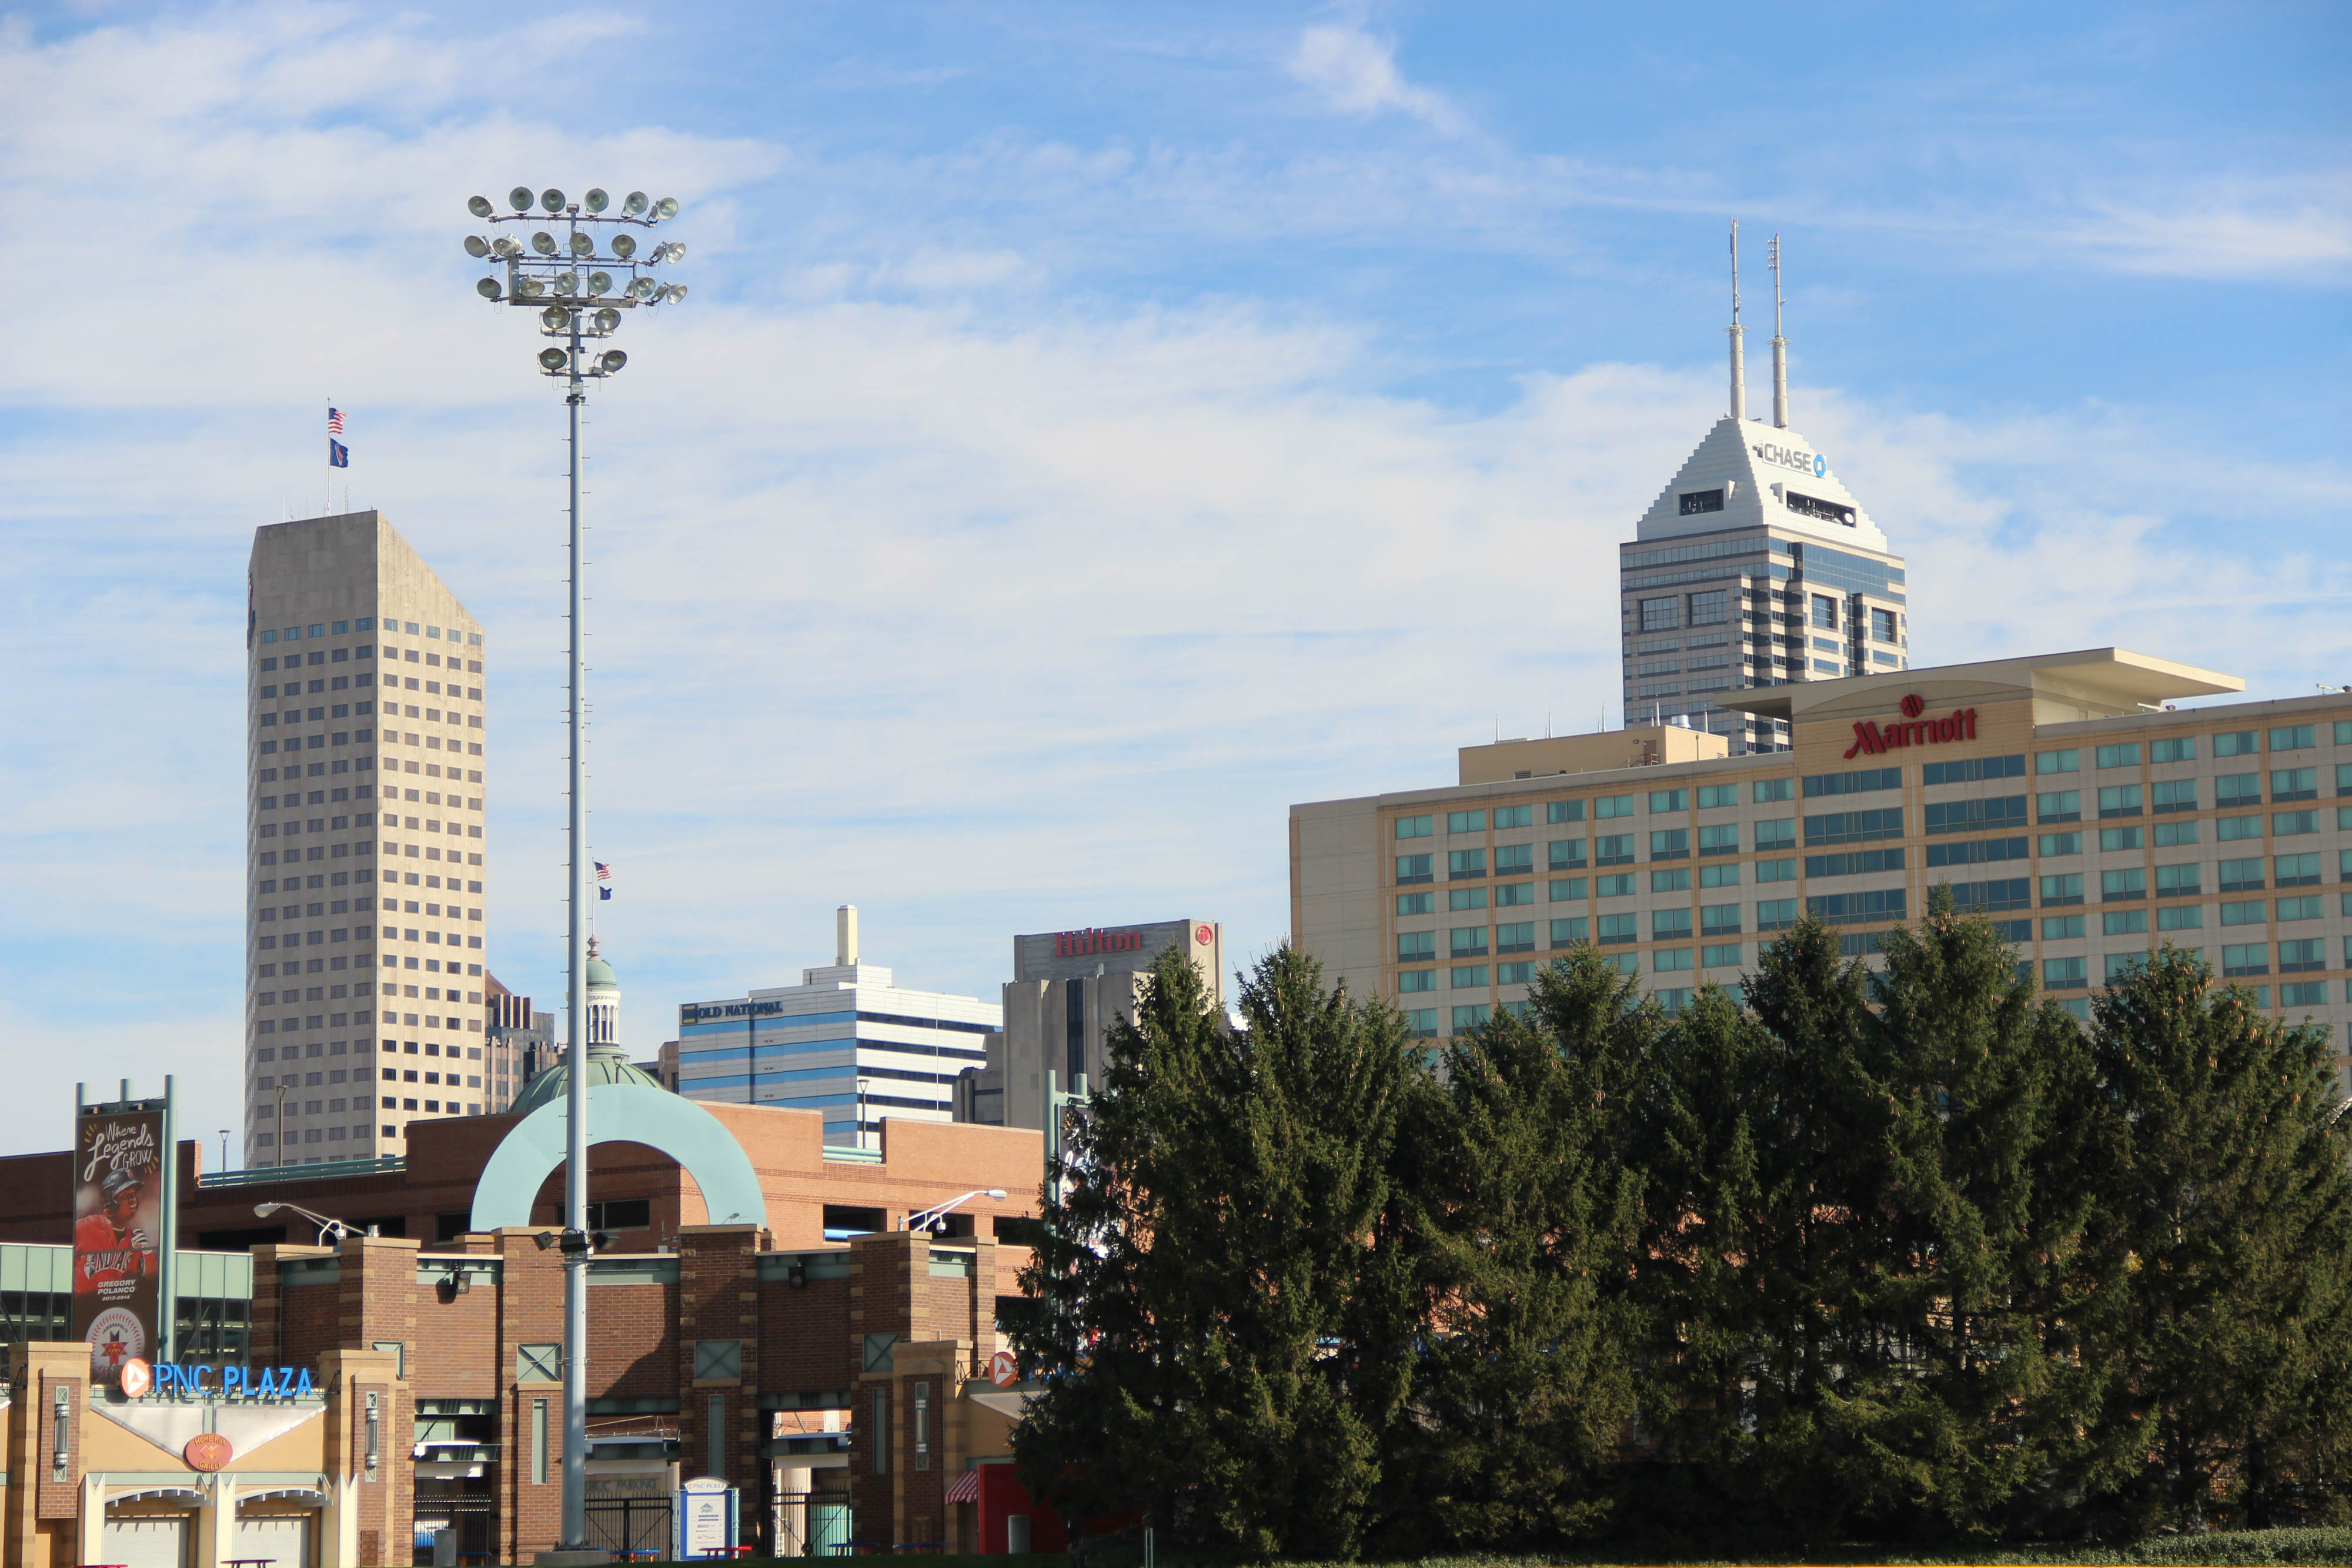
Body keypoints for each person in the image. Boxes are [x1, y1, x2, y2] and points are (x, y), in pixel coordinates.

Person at [75, 1168, 156, 1286]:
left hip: (114, 1304)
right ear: (110, 1201)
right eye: (126, 1195)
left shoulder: (133, 1240)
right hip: (85, 1302)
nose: (133, 1199)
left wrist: (147, 1253)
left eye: (133, 1194)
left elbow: (152, 1278)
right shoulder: (86, 1226)